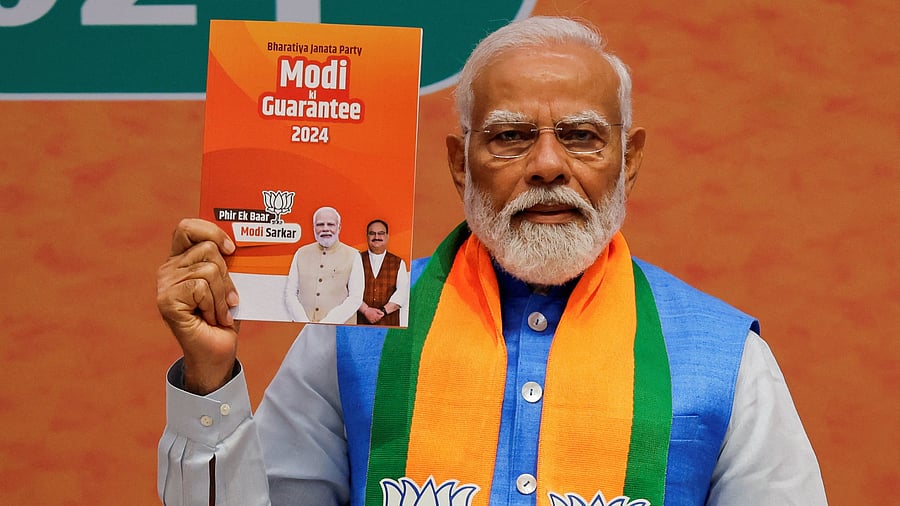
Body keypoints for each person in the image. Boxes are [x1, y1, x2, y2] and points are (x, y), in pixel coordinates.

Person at [156, 16, 827, 506]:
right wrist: (209, 380)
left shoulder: (726, 358)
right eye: (509, 137)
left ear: (630, 159)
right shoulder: (355, 327)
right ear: (459, 163)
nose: (546, 166)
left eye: (582, 138)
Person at [283, 206, 363, 324]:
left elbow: (355, 298)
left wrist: (328, 323)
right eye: (320, 224)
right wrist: (304, 322)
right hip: (304, 328)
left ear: (339, 228)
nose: (325, 229)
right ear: (314, 227)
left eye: (330, 224)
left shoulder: (353, 255)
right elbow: (290, 293)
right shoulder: (301, 253)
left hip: (339, 329)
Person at [357, 219, 410, 326]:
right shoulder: (356, 260)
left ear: (387, 236)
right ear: (367, 236)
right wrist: (366, 310)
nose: (376, 237)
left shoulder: (398, 263)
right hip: (359, 322)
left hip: (388, 324)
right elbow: (349, 291)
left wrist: (382, 312)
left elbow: (402, 293)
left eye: (381, 233)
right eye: (372, 233)